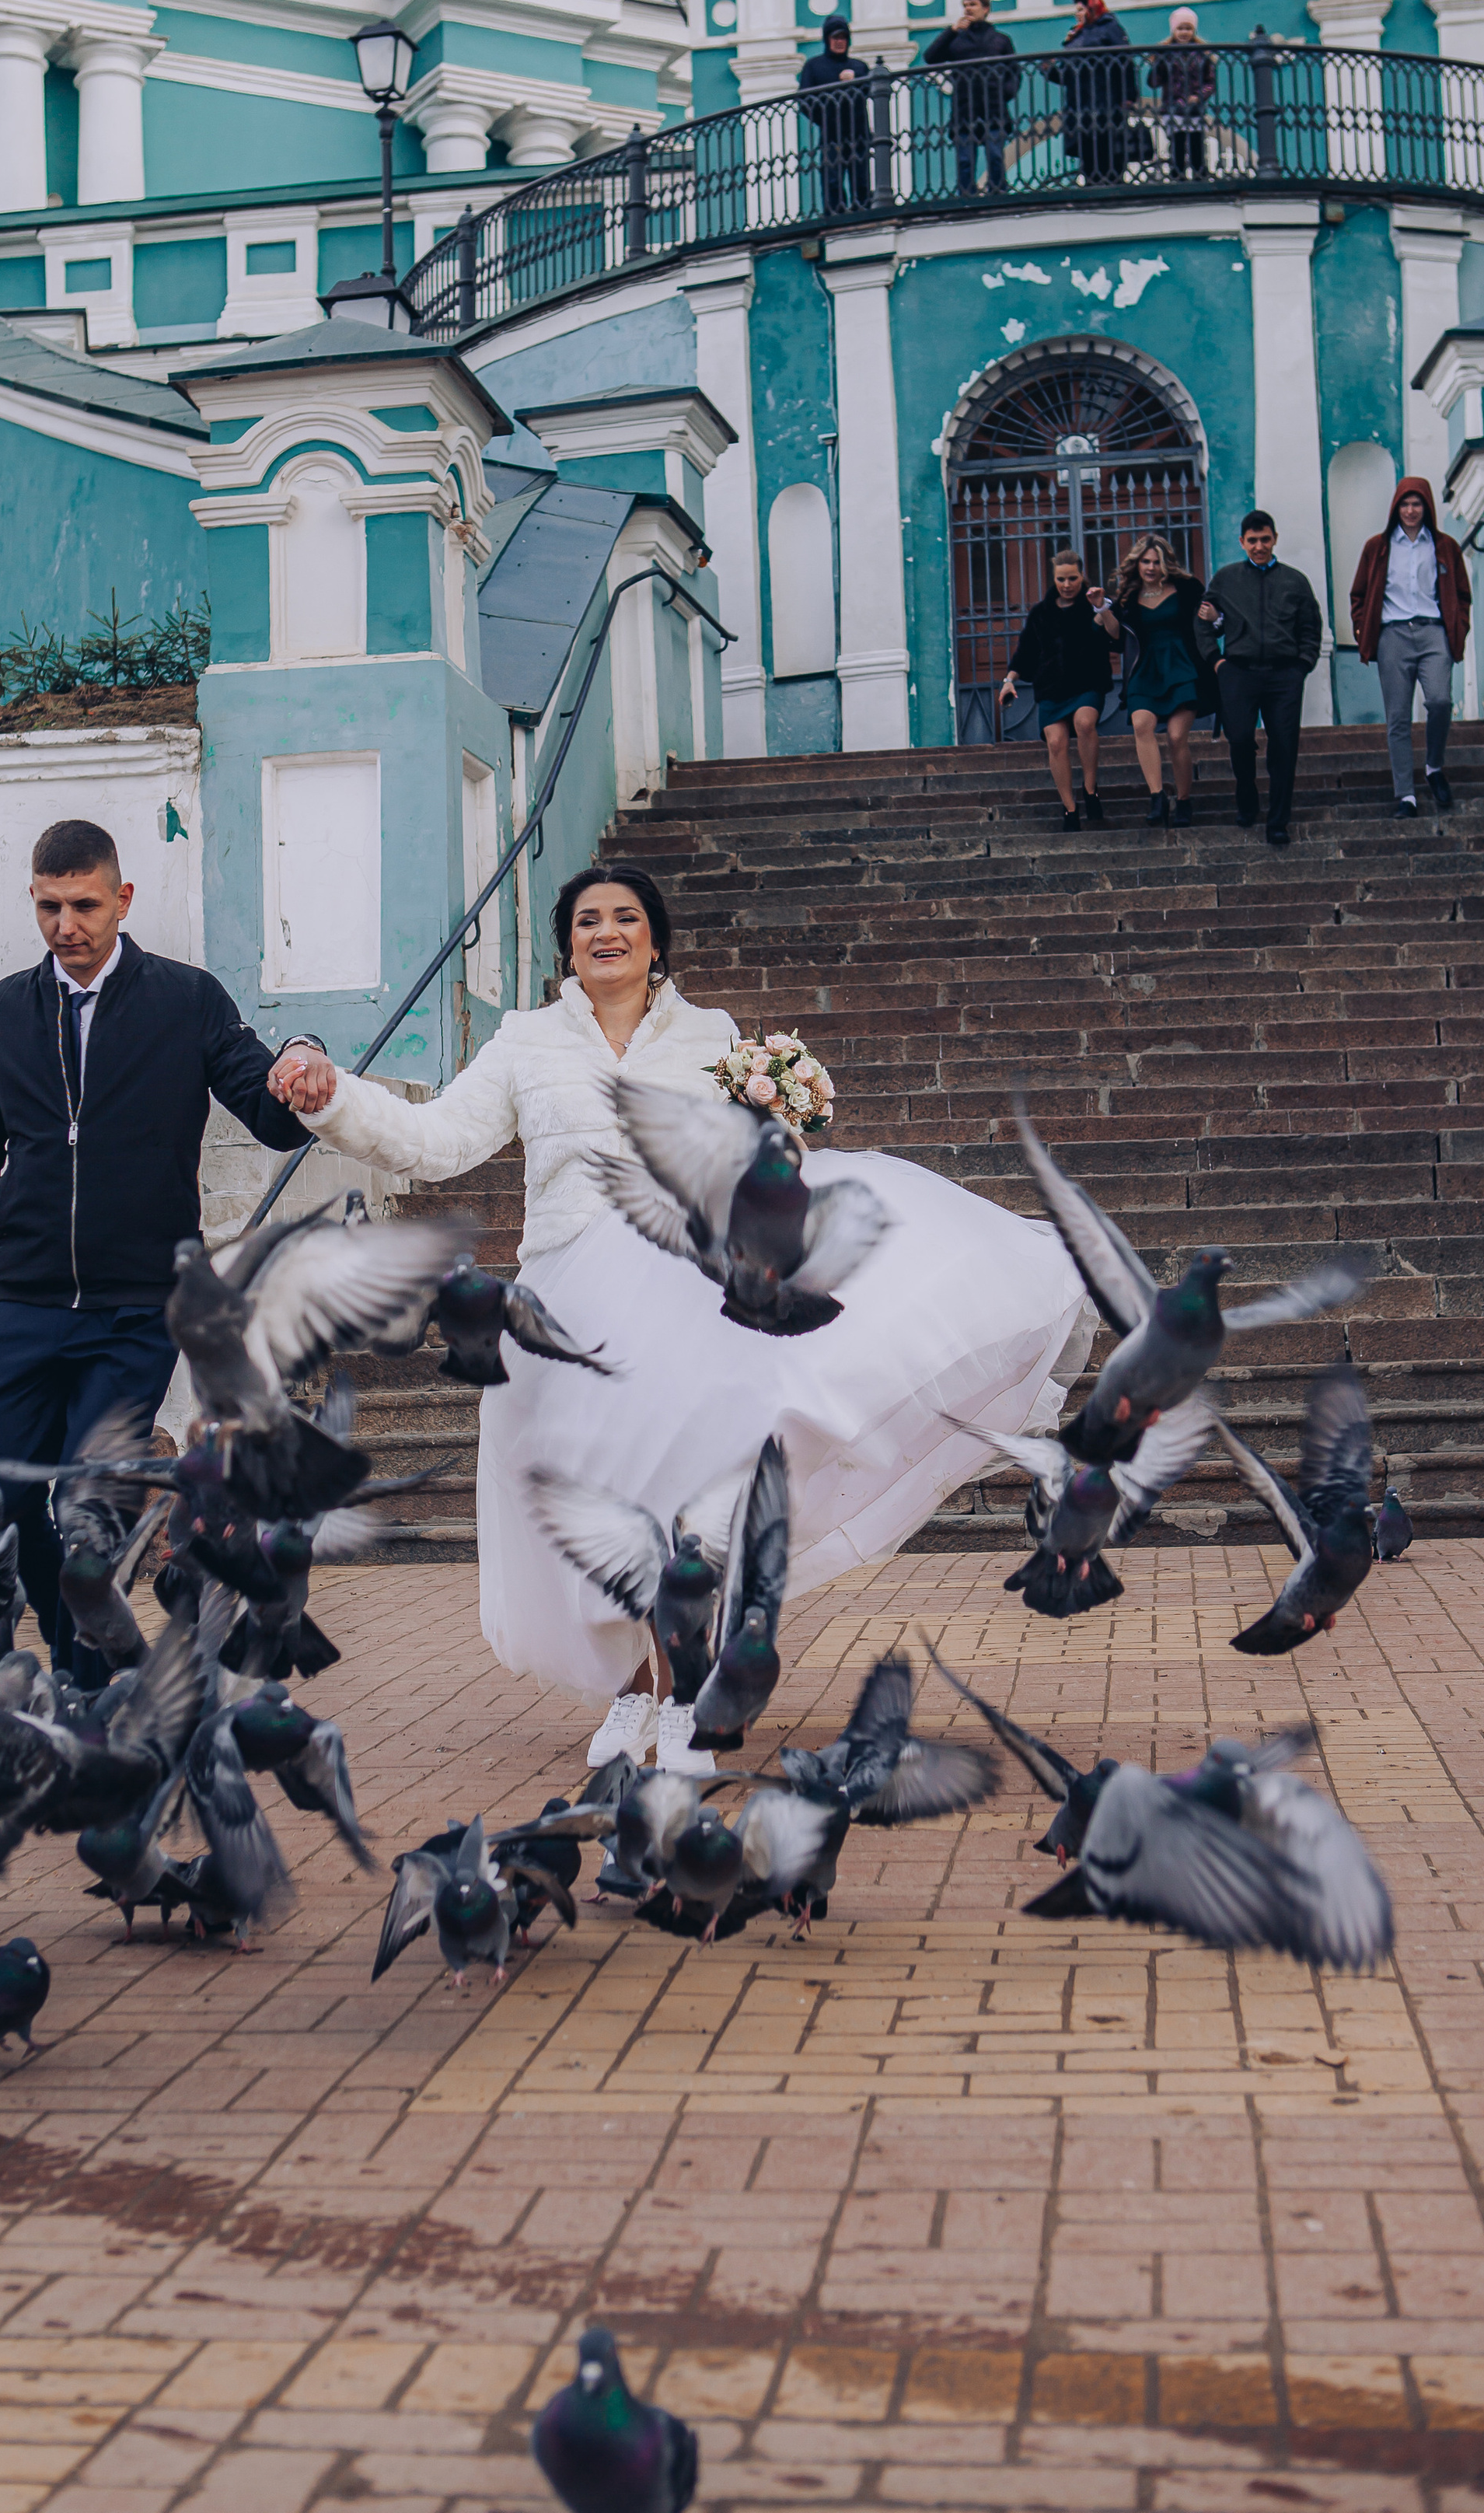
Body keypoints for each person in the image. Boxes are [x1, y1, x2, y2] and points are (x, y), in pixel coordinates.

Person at [265, 866, 1091, 1765]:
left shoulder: (713, 1038)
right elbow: (437, 1142)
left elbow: (747, 1166)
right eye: (587, 922)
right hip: (569, 1307)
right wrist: (335, 1099)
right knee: (595, 1504)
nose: (606, 933)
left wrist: (784, 1132)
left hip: (689, 1297)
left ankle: (685, 1695)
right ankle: (628, 1691)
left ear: (656, 941)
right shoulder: (525, 1041)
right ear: (566, 944)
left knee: (685, 1502)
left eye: (625, 919)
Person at [0, 815, 321, 1669]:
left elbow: (271, 1117)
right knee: (8, 1501)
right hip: (25, 1307)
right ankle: (87, 1649)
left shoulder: (186, 1000)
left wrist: (303, 1065)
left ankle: (85, 1682)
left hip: (136, 1313)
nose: (67, 927)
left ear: (122, 900)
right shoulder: (0, 1016)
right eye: (49, 908)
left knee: (87, 1502)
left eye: (84, 905)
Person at [1349, 476, 1473, 817]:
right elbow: (1358, 595)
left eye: (1417, 504)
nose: (1411, 510)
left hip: (1434, 633)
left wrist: (1458, 627)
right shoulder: (1378, 546)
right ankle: (1406, 795)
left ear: (1427, 507)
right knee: (1399, 718)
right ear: (1395, 507)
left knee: (1440, 700)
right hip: (1393, 636)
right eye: (1405, 504)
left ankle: (1434, 767)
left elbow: (1462, 594)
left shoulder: (1445, 546)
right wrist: (1364, 632)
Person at [1201, 511, 1323, 843]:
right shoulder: (1226, 579)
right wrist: (1217, 662)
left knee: (1284, 748)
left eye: (1265, 539)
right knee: (1239, 739)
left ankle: (1278, 821)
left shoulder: (1295, 581)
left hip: (1284, 676)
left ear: (1275, 539)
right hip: (1238, 673)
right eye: (1252, 541)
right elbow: (1204, 622)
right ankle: (1247, 795)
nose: (1259, 546)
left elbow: (1311, 627)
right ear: (1242, 542)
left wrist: (1302, 666)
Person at [1095, 535, 1217, 827]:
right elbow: (1117, 638)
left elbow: (1207, 623)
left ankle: (1184, 801)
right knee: (1141, 725)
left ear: (1166, 564)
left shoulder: (1187, 589)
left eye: (1156, 562)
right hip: (1145, 670)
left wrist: (1214, 617)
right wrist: (1102, 608)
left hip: (1183, 668)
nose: (1151, 567)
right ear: (1137, 564)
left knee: (1176, 737)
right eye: (1145, 561)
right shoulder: (1128, 596)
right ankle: (1157, 797)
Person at [1000, 548, 1114, 827]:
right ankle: (1070, 809)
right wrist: (1009, 681)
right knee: (1055, 743)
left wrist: (1102, 609)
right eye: (1061, 579)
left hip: (1088, 682)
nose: (1066, 585)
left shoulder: (1094, 604)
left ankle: (1090, 790)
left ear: (1082, 575)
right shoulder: (1041, 613)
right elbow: (1025, 651)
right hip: (1052, 687)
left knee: (1085, 723)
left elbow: (1115, 636)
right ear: (1054, 578)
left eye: (1072, 578)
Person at [923, 0, 1019, 197]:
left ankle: (998, 191)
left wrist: (1005, 94)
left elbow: (1015, 72)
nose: (968, 9)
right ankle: (967, 194)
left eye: (973, 5)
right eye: (965, 5)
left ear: (985, 9)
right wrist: (951, 31)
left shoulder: (1000, 40)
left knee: (995, 155)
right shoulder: (957, 40)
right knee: (965, 158)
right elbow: (930, 57)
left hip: (994, 107)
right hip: (964, 107)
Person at [1043, 0, 1137, 187]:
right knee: (1087, 146)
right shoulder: (1076, 34)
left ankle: (1112, 182)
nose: (1077, 13)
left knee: (1108, 144)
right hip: (1080, 101)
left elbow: (1124, 62)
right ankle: (1092, 181)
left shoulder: (1109, 28)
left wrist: (1129, 96)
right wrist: (1049, 70)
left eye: (1081, 9)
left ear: (1092, 9)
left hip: (1106, 98)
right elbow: (1069, 74)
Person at [797, 15, 872, 214]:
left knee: (861, 177)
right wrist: (825, 120)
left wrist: (856, 79)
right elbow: (804, 101)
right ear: (827, 39)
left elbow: (871, 90)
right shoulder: (814, 66)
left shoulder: (859, 66)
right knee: (833, 179)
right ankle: (835, 214)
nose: (840, 42)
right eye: (835, 37)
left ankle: (863, 211)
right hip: (832, 135)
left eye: (843, 37)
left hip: (859, 134)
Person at [1146, 8, 1217, 180]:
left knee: (1196, 142)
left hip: (1194, 107)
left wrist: (1199, 96)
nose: (1184, 32)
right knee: (1176, 142)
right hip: (1173, 105)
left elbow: (1210, 82)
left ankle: (1200, 173)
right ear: (1173, 30)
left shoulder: (1202, 54)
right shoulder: (1166, 53)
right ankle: (1177, 174)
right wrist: (1157, 63)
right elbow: (1154, 83)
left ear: (1194, 31)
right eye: (1180, 28)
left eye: (1188, 28)